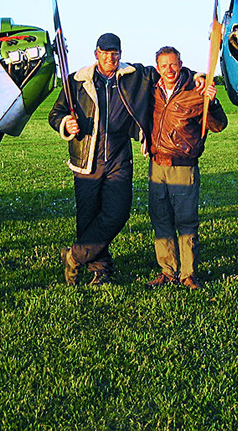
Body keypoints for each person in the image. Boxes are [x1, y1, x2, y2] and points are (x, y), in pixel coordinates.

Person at [49, 32, 157, 285]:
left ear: (120, 54)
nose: (111, 57)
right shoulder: (76, 81)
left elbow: (167, 68)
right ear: (96, 53)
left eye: (115, 52)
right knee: (88, 218)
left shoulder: (134, 76)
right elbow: (56, 113)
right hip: (86, 159)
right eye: (105, 52)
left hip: (119, 158)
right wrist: (66, 123)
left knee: (118, 213)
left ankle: (74, 256)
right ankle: (100, 269)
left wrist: (197, 76)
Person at [146, 46, 227, 290]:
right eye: (164, 66)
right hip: (157, 165)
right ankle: (168, 271)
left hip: (184, 166)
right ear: (157, 68)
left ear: (181, 64)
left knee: (186, 221)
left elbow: (219, 125)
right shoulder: (152, 90)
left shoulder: (197, 90)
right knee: (161, 220)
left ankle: (188, 273)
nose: (169, 70)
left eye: (173, 64)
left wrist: (211, 103)